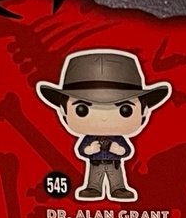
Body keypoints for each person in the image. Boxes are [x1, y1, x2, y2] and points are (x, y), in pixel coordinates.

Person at [37, 50, 170, 202]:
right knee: (94, 179)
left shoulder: (118, 139)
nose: (104, 118)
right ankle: (93, 188)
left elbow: (126, 150)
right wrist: (89, 149)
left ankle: (118, 188)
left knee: (117, 179)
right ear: (63, 111)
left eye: (125, 110)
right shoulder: (89, 138)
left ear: (144, 111)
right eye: (82, 109)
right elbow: (82, 150)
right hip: (95, 164)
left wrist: (119, 150)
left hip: (114, 164)